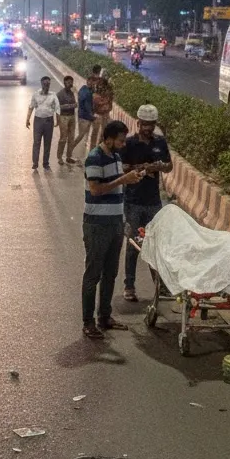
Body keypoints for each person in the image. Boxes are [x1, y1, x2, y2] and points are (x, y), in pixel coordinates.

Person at [82, 120, 144, 338]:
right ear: (108, 138)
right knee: (93, 274)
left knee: (110, 273)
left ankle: (104, 316)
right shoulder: (94, 158)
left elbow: (117, 188)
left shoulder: (116, 158)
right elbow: (96, 189)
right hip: (97, 225)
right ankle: (88, 322)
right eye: (119, 140)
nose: (123, 144)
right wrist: (123, 180)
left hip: (116, 223)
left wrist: (130, 179)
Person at [120, 105, 172, 302]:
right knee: (134, 243)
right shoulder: (129, 144)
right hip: (133, 200)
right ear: (138, 123)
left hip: (153, 201)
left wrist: (158, 166)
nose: (148, 129)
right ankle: (129, 285)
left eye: (151, 125)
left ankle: (160, 285)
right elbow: (122, 167)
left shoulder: (160, 142)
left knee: (155, 243)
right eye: (145, 125)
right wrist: (140, 168)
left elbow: (169, 166)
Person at [25, 75, 61, 171]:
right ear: (41, 84)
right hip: (38, 121)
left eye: (48, 84)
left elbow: (57, 108)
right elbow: (31, 106)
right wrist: (27, 119)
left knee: (47, 143)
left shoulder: (53, 95)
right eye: (45, 83)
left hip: (49, 121)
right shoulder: (36, 94)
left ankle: (46, 164)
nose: (46, 85)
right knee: (36, 142)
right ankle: (35, 163)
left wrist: (58, 120)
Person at [54, 74, 78, 165]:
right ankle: (59, 157)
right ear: (64, 83)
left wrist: (73, 105)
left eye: (71, 82)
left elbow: (75, 104)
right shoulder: (60, 94)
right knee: (63, 138)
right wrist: (57, 120)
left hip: (72, 116)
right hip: (63, 117)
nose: (70, 84)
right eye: (68, 82)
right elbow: (56, 107)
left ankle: (69, 156)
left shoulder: (72, 93)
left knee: (71, 138)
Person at [73, 68, 96, 155]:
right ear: (87, 81)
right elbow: (87, 107)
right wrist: (92, 117)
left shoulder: (85, 89)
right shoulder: (86, 92)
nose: (91, 83)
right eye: (90, 81)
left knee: (85, 136)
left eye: (93, 81)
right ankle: (70, 149)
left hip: (84, 116)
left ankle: (84, 153)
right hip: (84, 117)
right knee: (81, 135)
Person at [89, 76, 114, 150]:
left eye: (102, 84)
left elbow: (110, 103)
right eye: (99, 84)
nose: (100, 86)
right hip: (98, 115)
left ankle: (99, 150)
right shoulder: (95, 94)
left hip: (105, 115)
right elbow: (96, 103)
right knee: (95, 133)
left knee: (103, 134)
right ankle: (92, 150)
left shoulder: (108, 93)